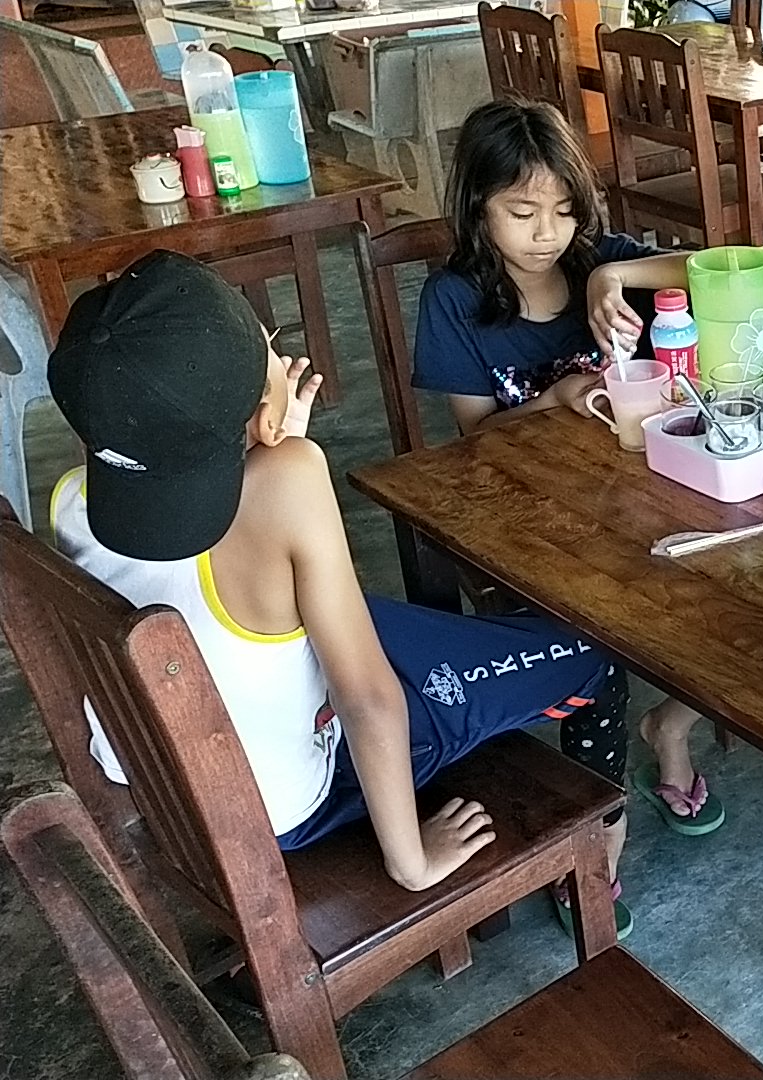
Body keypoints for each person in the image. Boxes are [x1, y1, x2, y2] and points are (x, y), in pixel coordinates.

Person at [47, 251, 647, 933]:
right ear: (263, 419)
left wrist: (269, 449)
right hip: (293, 808)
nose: (283, 358)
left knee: (404, 633)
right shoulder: (290, 476)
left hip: (168, 793)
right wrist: (412, 861)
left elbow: (220, 535)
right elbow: (367, 700)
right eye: (271, 352)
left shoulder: (76, 495)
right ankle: (599, 853)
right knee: (593, 652)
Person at [411, 98, 724, 836]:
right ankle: (602, 826)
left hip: (631, 498)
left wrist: (611, 277)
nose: (546, 234)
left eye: (563, 211)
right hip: (528, 519)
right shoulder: (455, 299)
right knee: (594, 641)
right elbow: (475, 438)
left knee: (729, 581)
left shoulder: (594, 260)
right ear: (478, 208)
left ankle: (672, 729)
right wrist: (554, 399)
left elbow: (719, 269)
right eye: (522, 213)